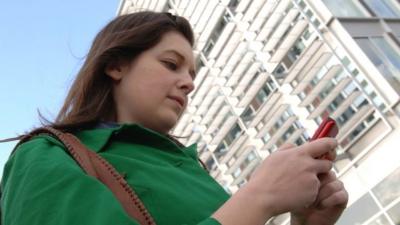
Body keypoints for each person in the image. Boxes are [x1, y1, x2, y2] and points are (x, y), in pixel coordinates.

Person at [0, 11, 348, 225]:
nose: (189, 82)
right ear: (115, 65)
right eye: (171, 64)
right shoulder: (46, 154)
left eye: (193, 72)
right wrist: (259, 198)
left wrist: (306, 224)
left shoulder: (195, 169)